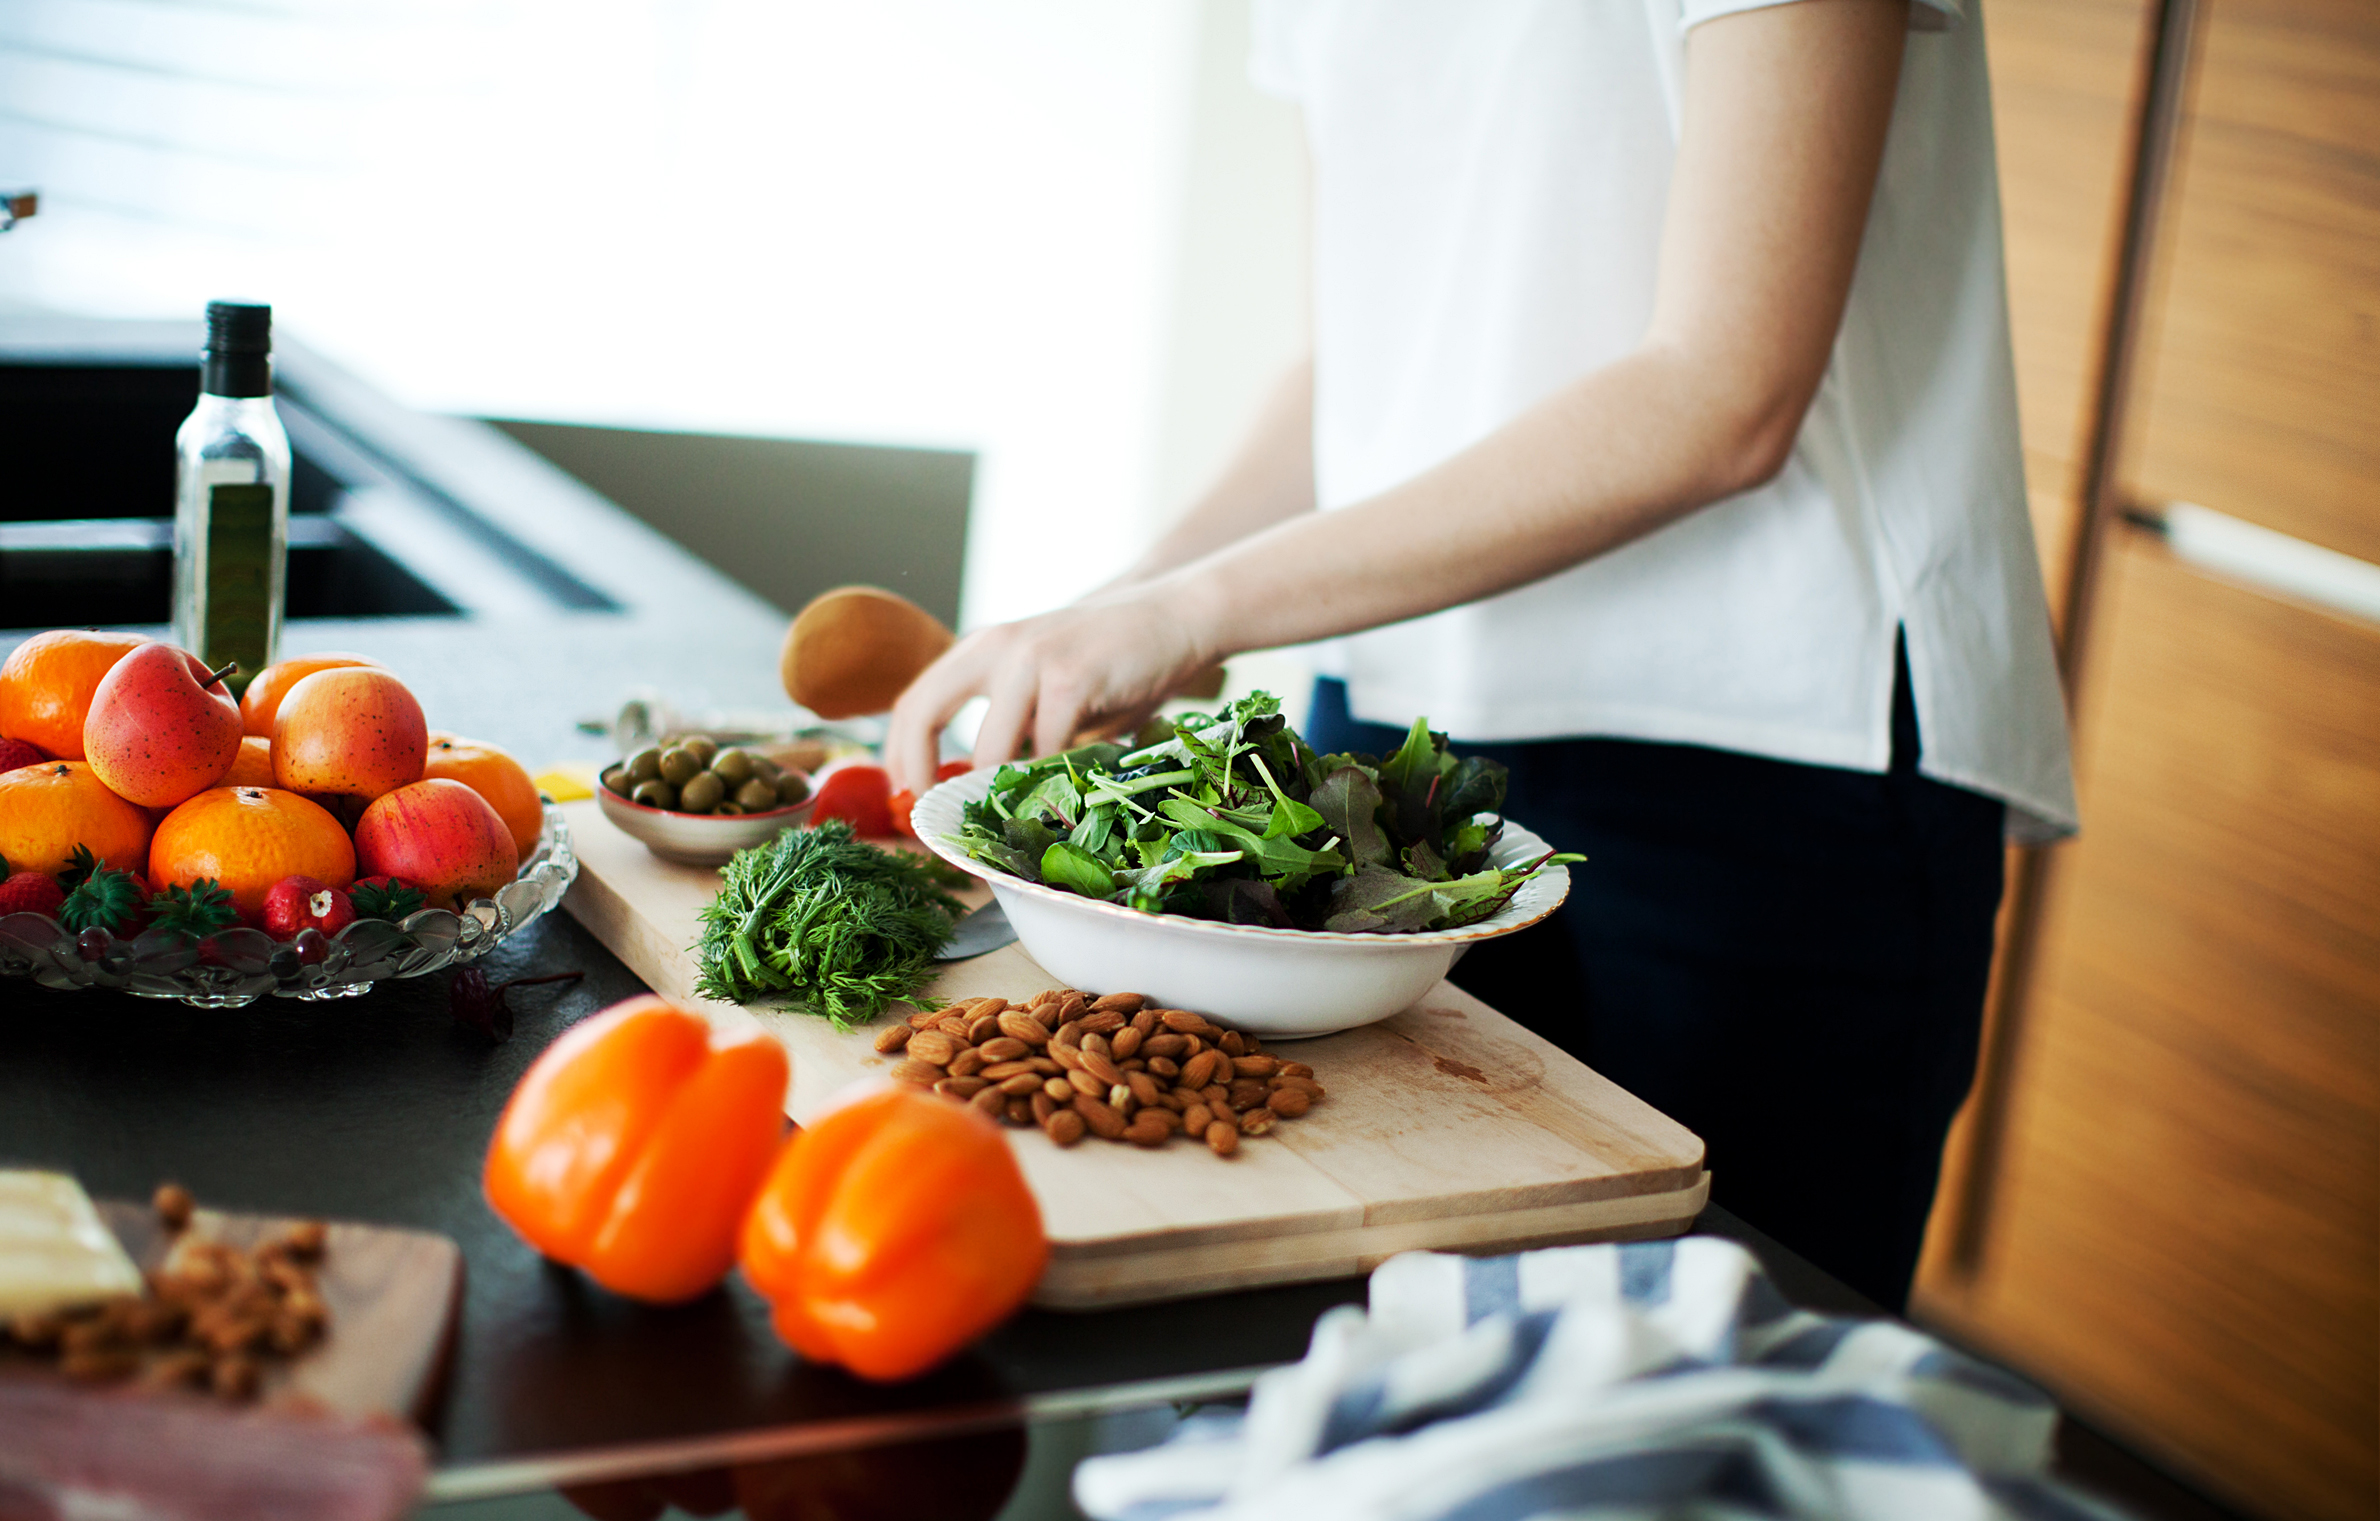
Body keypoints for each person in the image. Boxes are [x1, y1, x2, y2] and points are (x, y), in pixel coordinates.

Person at [885, 0, 2076, 1311]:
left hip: (1779, 753)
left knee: (1693, 1414)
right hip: (1395, 718)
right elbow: (1360, 369)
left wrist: (1197, 611)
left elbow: (1729, 390)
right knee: (1317, 1354)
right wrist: (1129, 613)